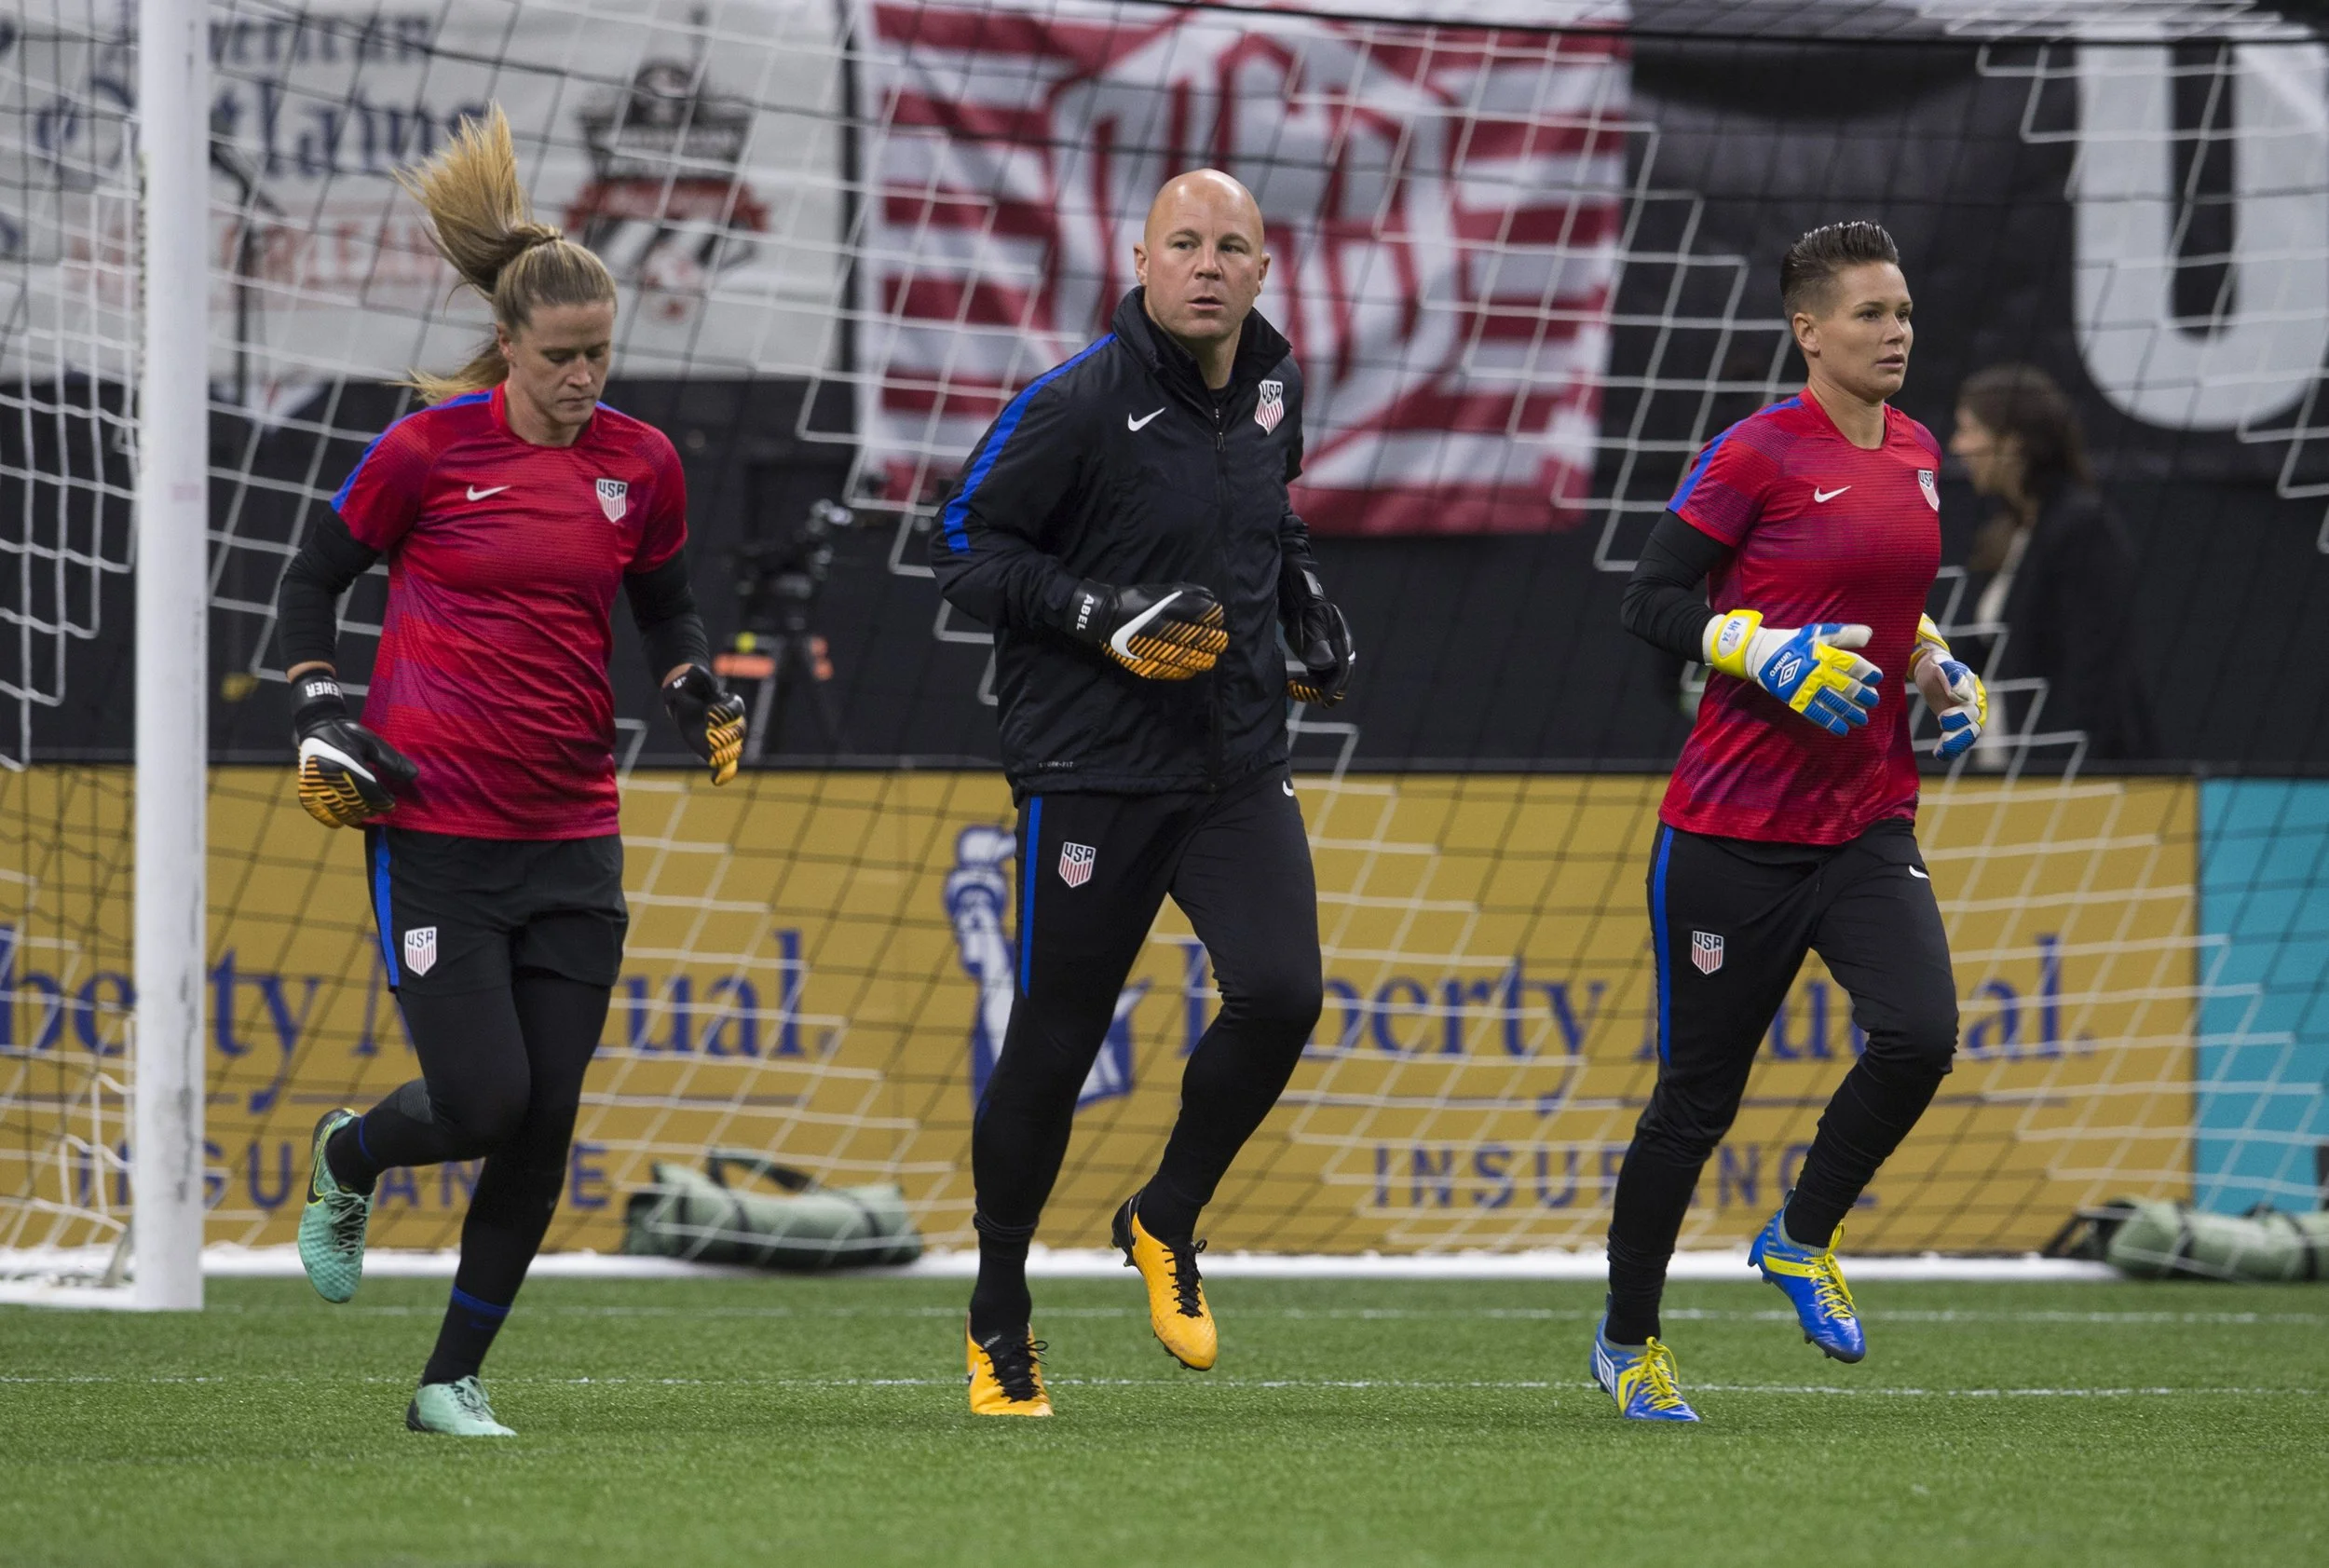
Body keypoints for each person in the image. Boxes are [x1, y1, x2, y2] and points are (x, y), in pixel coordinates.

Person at [274, 107, 745, 1437]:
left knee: (544, 1124)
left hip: (572, 833)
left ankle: (450, 1378)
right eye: (563, 358)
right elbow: (312, 584)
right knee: (485, 1100)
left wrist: (690, 677)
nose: (587, 377)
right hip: (436, 828)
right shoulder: (430, 451)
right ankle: (351, 1151)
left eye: (602, 354)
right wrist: (320, 703)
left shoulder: (638, 464)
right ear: (511, 346)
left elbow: (668, 604)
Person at [929, 168, 1355, 1417]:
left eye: (1231, 245)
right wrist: (1097, 616)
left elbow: (1272, 523)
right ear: (1141, 257)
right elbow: (963, 543)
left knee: (1284, 992)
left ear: (1264, 270)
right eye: (1185, 242)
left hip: (1234, 762)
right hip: (1093, 766)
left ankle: (1165, 1212)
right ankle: (998, 1309)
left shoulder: (1272, 384)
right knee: (1056, 1043)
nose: (1208, 264)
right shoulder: (1074, 403)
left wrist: (1305, 607)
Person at [1603, 221, 1989, 1422]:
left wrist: (1936, 664)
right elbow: (1650, 601)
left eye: (1905, 313)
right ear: (1807, 331)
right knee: (1696, 1106)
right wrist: (1760, 651)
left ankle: (1800, 1235)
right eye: (1870, 316)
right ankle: (1629, 1343)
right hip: (1729, 832)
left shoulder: (1919, 451)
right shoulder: (1755, 455)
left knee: (1920, 1035)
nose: (1896, 335)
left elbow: (1892, 604)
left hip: (1867, 819)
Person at [1949, 362, 2157, 764]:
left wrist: (2061, 771)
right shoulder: (2007, 535)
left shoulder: (2082, 527)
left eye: (1969, 429)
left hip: (2069, 782)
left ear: (2011, 442)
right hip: (2003, 774)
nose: (1957, 446)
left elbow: (2095, 673)